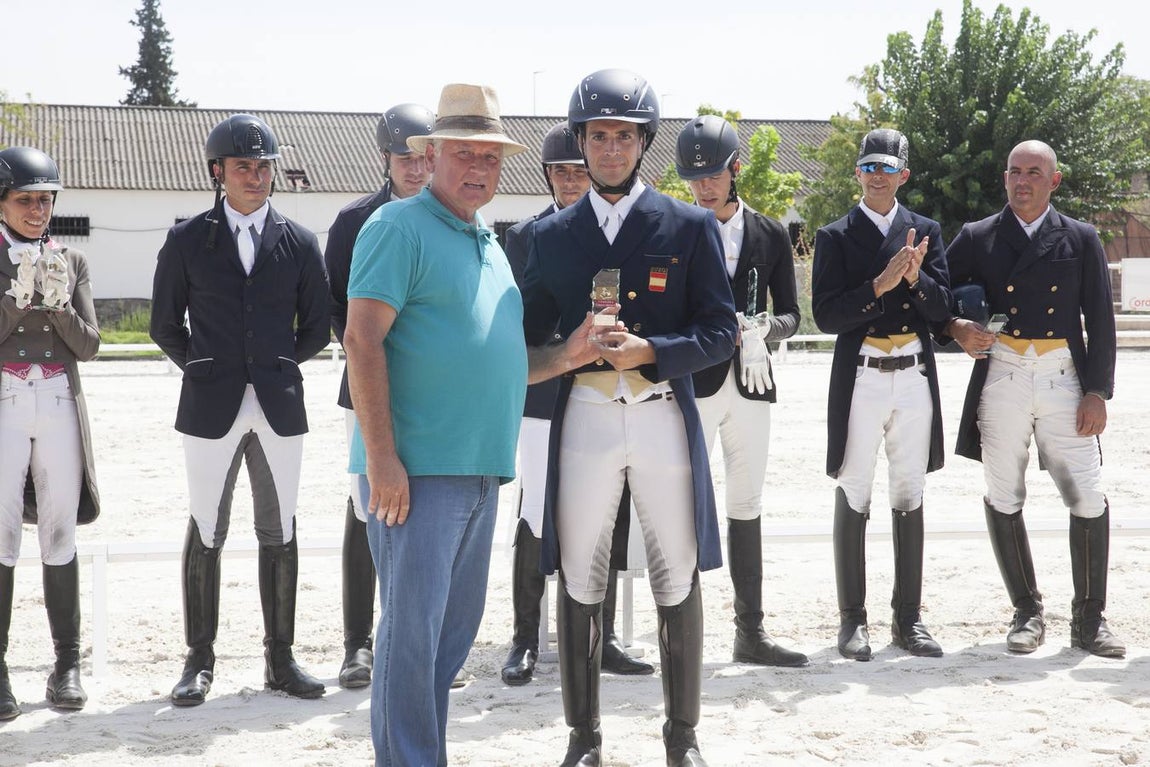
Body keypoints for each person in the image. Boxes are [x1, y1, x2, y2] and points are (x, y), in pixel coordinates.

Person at [522, 69, 737, 767]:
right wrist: (569, 351)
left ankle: (683, 735)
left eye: (622, 136)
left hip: (658, 409)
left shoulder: (690, 224)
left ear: (643, 142)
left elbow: (720, 330)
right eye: (597, 136)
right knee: (581, 572)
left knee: (676, 567)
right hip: (583, 412)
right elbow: (527, 343)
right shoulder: (548, 237)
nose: (609, 149)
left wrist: (654, 350)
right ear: (579, 143)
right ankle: (584, 738)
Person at [342, 83, 529, 767]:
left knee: (449, 639)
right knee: (412, 638)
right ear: (431, 153)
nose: (478, 166)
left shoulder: (487, 239)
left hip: (481, 469)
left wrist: (572, 353)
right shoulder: (398, 227)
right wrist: (383, 459)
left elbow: (498, 357)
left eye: (491, 155)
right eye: (464, 153)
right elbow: (361, 339)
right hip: (416, 474)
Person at [150, 114, 330, 706]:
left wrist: (275, 367)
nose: (256, 176)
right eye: (244, 167)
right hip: (210, 403)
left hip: (277, 403)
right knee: (208, 525)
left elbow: (317, 327)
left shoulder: (300, 242)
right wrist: (206, 366)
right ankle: (198, 660)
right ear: (217, 172)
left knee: (280, 529)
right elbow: (163, 325)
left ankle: (281, 659)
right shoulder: (185, 240)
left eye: (264, 166)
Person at [943, 139, 1124, 658]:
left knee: (1085, 493)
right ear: (1005, 178)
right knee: (1004, 491)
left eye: (1034, 173)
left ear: (1053, 181)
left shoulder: (1080, 237)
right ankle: (1026, 610)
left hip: (1063, 375)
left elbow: (1101, 321)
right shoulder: (977, 236)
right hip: (1003, 373)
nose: (1022, 181)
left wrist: (1096, 390)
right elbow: (937, 291)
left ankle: (1090, 618)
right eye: (1015, 172)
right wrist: (956, 326)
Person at [500, 122, 652, 687]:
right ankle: (524, 636)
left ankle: (603, 633)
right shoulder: (525, 235)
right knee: (535, 511)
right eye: (561, 171)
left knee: (608, 509)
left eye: (576, 169)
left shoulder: (617, 228)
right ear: (548, 176)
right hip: (545, 390)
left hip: (604, 392)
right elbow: (518, 323)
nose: (571, 179)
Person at [673, 114, 808, 668]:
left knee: (747, 502)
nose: (704, 188)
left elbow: (794, 314)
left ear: (734, 171)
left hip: (752, 381)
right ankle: (680, 630)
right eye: (694, 179)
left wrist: (763, 333)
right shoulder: (678, 230)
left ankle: (749, 630)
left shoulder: (771, 233)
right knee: (684, 504)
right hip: (697, 383)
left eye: (713, 176)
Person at [811, 128, 950, 662]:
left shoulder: (925, 230)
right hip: (863, 372)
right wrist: (879, 287)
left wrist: (914, 281)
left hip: (913, 373)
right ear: (857, 174)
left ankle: (908, 618)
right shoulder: (836, 235)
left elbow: (940, 310)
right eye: (868, 167)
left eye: (886, 168)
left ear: (903, 175)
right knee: (855, 487)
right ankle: (853, 620)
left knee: (909, 489)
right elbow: (825, 315)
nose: (877, 176)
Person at [324, 102, 434, 689]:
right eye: (404, 160)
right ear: (384, 160)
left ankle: (416, 637)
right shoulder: (355, 220)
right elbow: (337, 306)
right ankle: (357, 644)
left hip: (433, 389)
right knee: (366, 504)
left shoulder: (452, 216)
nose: (416, 170)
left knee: (425, 506)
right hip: (368, 384)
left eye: (423, 159)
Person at [0, 147, 100, 719]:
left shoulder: (73, 260)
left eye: (46, 200)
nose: (38, 210)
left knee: (60, 531)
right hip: (6, 399)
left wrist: (58, 304)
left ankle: (66, 665)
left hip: (58, 398)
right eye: (26, 200)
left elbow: (87, 345)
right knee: (3, 533)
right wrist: (15, 298)